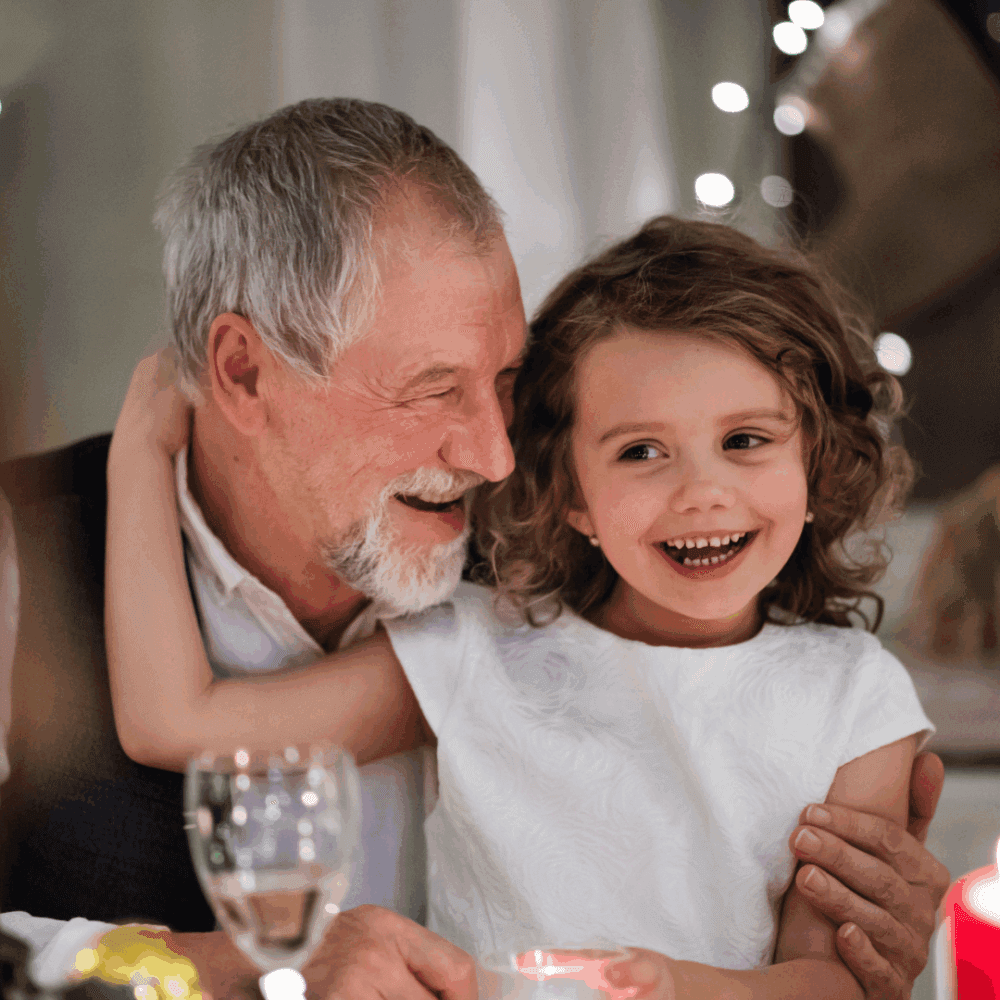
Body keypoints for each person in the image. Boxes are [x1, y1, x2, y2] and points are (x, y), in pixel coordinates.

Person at [107, 208, 949, 999]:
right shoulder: (468, 652)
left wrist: (677, 986)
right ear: (571, 493)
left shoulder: (854, 698)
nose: (702, 492)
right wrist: (140, 453)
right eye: (641, 451)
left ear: (818, 465)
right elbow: (173, 720)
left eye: (745, 441)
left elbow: (835, 981)